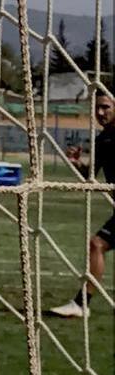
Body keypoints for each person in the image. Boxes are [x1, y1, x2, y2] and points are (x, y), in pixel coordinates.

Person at [48, 92, 115, 319]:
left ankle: (81, 304)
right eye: (97, 108)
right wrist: (77, 163)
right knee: (97, 245)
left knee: (97, 244)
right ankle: (80, 304)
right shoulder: (102, 139)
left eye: (105, 107)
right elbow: (90, 176)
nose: (99, 112)